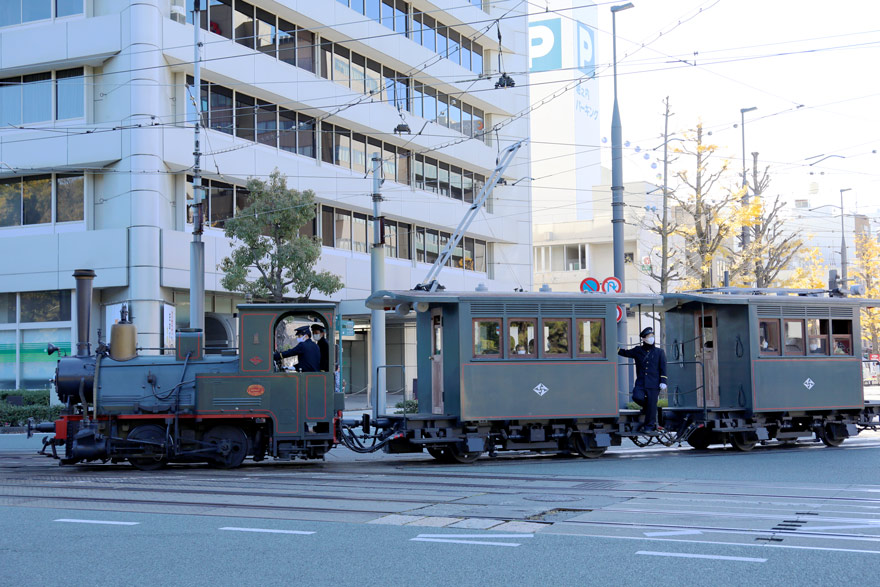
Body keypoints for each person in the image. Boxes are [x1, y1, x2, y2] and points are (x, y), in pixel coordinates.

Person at [618, 326, 667, 433]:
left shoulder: (659, 352)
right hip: (641, 382)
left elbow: (663, 368)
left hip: (654, 384)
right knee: (637, 396)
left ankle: (649, 427)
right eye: (649, 336)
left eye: (652, 336)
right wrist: (614, 347)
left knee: (651, 403)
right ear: (643, 339)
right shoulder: (638, 350)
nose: (651, 338)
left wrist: (663, 381)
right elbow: (625, 352)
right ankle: (651, 408)